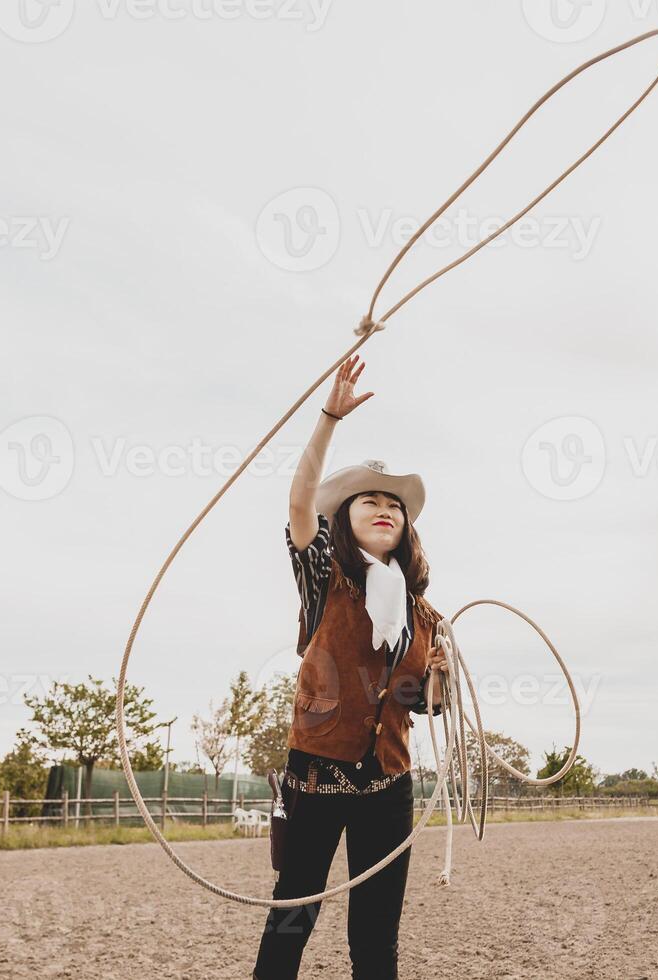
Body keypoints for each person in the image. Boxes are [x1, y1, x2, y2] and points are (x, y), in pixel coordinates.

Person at [252, 353, 451, 980]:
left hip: (389, 785)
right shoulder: (323, 579)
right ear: (346, 516)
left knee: (376, 935)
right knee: (293, 915)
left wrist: (440, 678)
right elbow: (298, 502)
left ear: (406, 527)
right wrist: (329, 419)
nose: (383, 508)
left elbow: (426, 703)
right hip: (316, 777)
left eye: (393, 504)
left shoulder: (424, 615)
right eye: (368, 500)